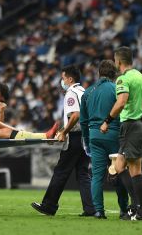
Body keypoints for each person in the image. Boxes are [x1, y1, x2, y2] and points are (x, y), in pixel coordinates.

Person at [31, 65, 95, 217]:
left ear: (70, 79)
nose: (62, 81)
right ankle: (91, 208)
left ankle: (49, 205)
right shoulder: (85, 92)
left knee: (61, 171)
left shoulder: (71, 93)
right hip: (86, 137)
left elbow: (75, 115)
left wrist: (65, 132)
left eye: (63, 78)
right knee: (83, 173)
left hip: (75, 137)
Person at [100, 46, 142, 221]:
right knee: (120, 166)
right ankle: (136, 206)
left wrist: (107, 120)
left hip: (130, 125)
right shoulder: (141, 77)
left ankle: (141, 210)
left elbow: (121, 102)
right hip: (139, 125)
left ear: (119, 61)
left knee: (135, 170)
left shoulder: (123, 79)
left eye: (115, 61)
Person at [80, 60, 129, 219]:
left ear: (99, 73)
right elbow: (122, 113)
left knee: (97, 176)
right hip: (114, 134)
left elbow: (83, 121)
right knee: (120, 173)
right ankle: (123, 210)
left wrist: (87, 141)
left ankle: (99, 211)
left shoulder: (88, 92)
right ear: (114, 74)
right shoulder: (116, 89)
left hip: (94, 136)